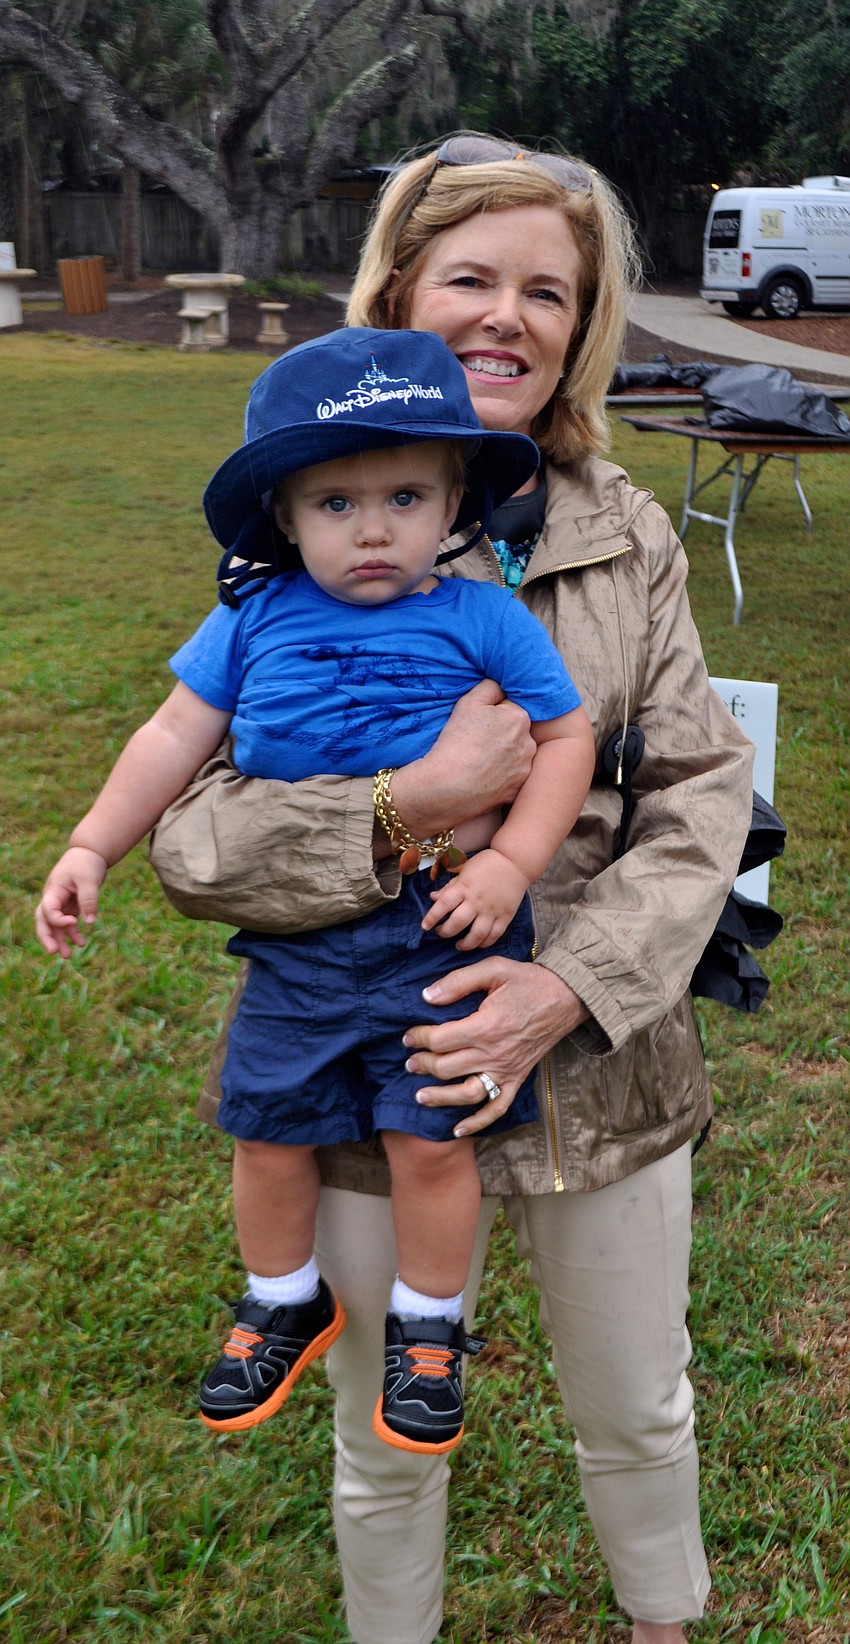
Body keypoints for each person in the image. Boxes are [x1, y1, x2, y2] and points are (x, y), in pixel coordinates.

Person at [84, 136, 758, 1642]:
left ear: (580, 326)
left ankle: (663, 1624)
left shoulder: (619, 529)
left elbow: (703, 793)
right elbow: (194, 839)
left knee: (638, 1407)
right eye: (471, 277)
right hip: (352, 1050)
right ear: (396, 289)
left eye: (548, 291)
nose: (507, 315)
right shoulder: (302, 537)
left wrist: (562, 985)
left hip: (598, 1062)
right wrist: (404, 809)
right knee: (382, 1434)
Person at [35, 324, 596, 1456]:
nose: (374, 527)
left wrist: (508, 862)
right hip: (295, 928)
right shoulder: (253, 617)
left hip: (441, 929)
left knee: (429, 1142)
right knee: (267, 1130)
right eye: (335, 503)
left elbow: (565, 734)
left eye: (404, 496)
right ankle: (282, 1293)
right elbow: (169, 734)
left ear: (453, 511)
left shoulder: (482, 612)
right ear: (284, 518)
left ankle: (430, 1328)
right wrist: (93, 843)